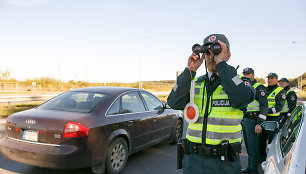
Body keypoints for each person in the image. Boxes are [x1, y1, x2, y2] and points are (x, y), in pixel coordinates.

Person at [167, 34, 255, 174]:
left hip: (225, 163)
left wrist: (222, 65)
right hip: (193, 161)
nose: (211, 56)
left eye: (216, 51)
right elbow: (173, 102)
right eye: (207, 52)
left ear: (228, 54)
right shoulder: (195, 83)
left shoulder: (239, 82)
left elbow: (242, 98)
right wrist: (190, 70)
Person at [241, 68, 268, 174]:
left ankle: (253, 170)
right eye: (244, 74)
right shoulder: (244, 87)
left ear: (253, 75)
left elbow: (264, 106)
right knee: (248, 147)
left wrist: (259, 123)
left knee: (253, 149)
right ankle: (250, 166)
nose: (246, 75)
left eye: (248, 74)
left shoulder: (258, 87)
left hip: (253, 121)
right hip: (245, 120)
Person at [258, 72, 286, 162]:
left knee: (271, 144)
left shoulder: (280, 91)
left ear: (277, 80)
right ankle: (262, 161)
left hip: (273, 120)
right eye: (268, 78)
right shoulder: (264, 90)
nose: (269, 80)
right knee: (260, 143)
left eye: (272, 78)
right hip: (262, 119)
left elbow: (279, 107)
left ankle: (271, 163)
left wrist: (265, 110)